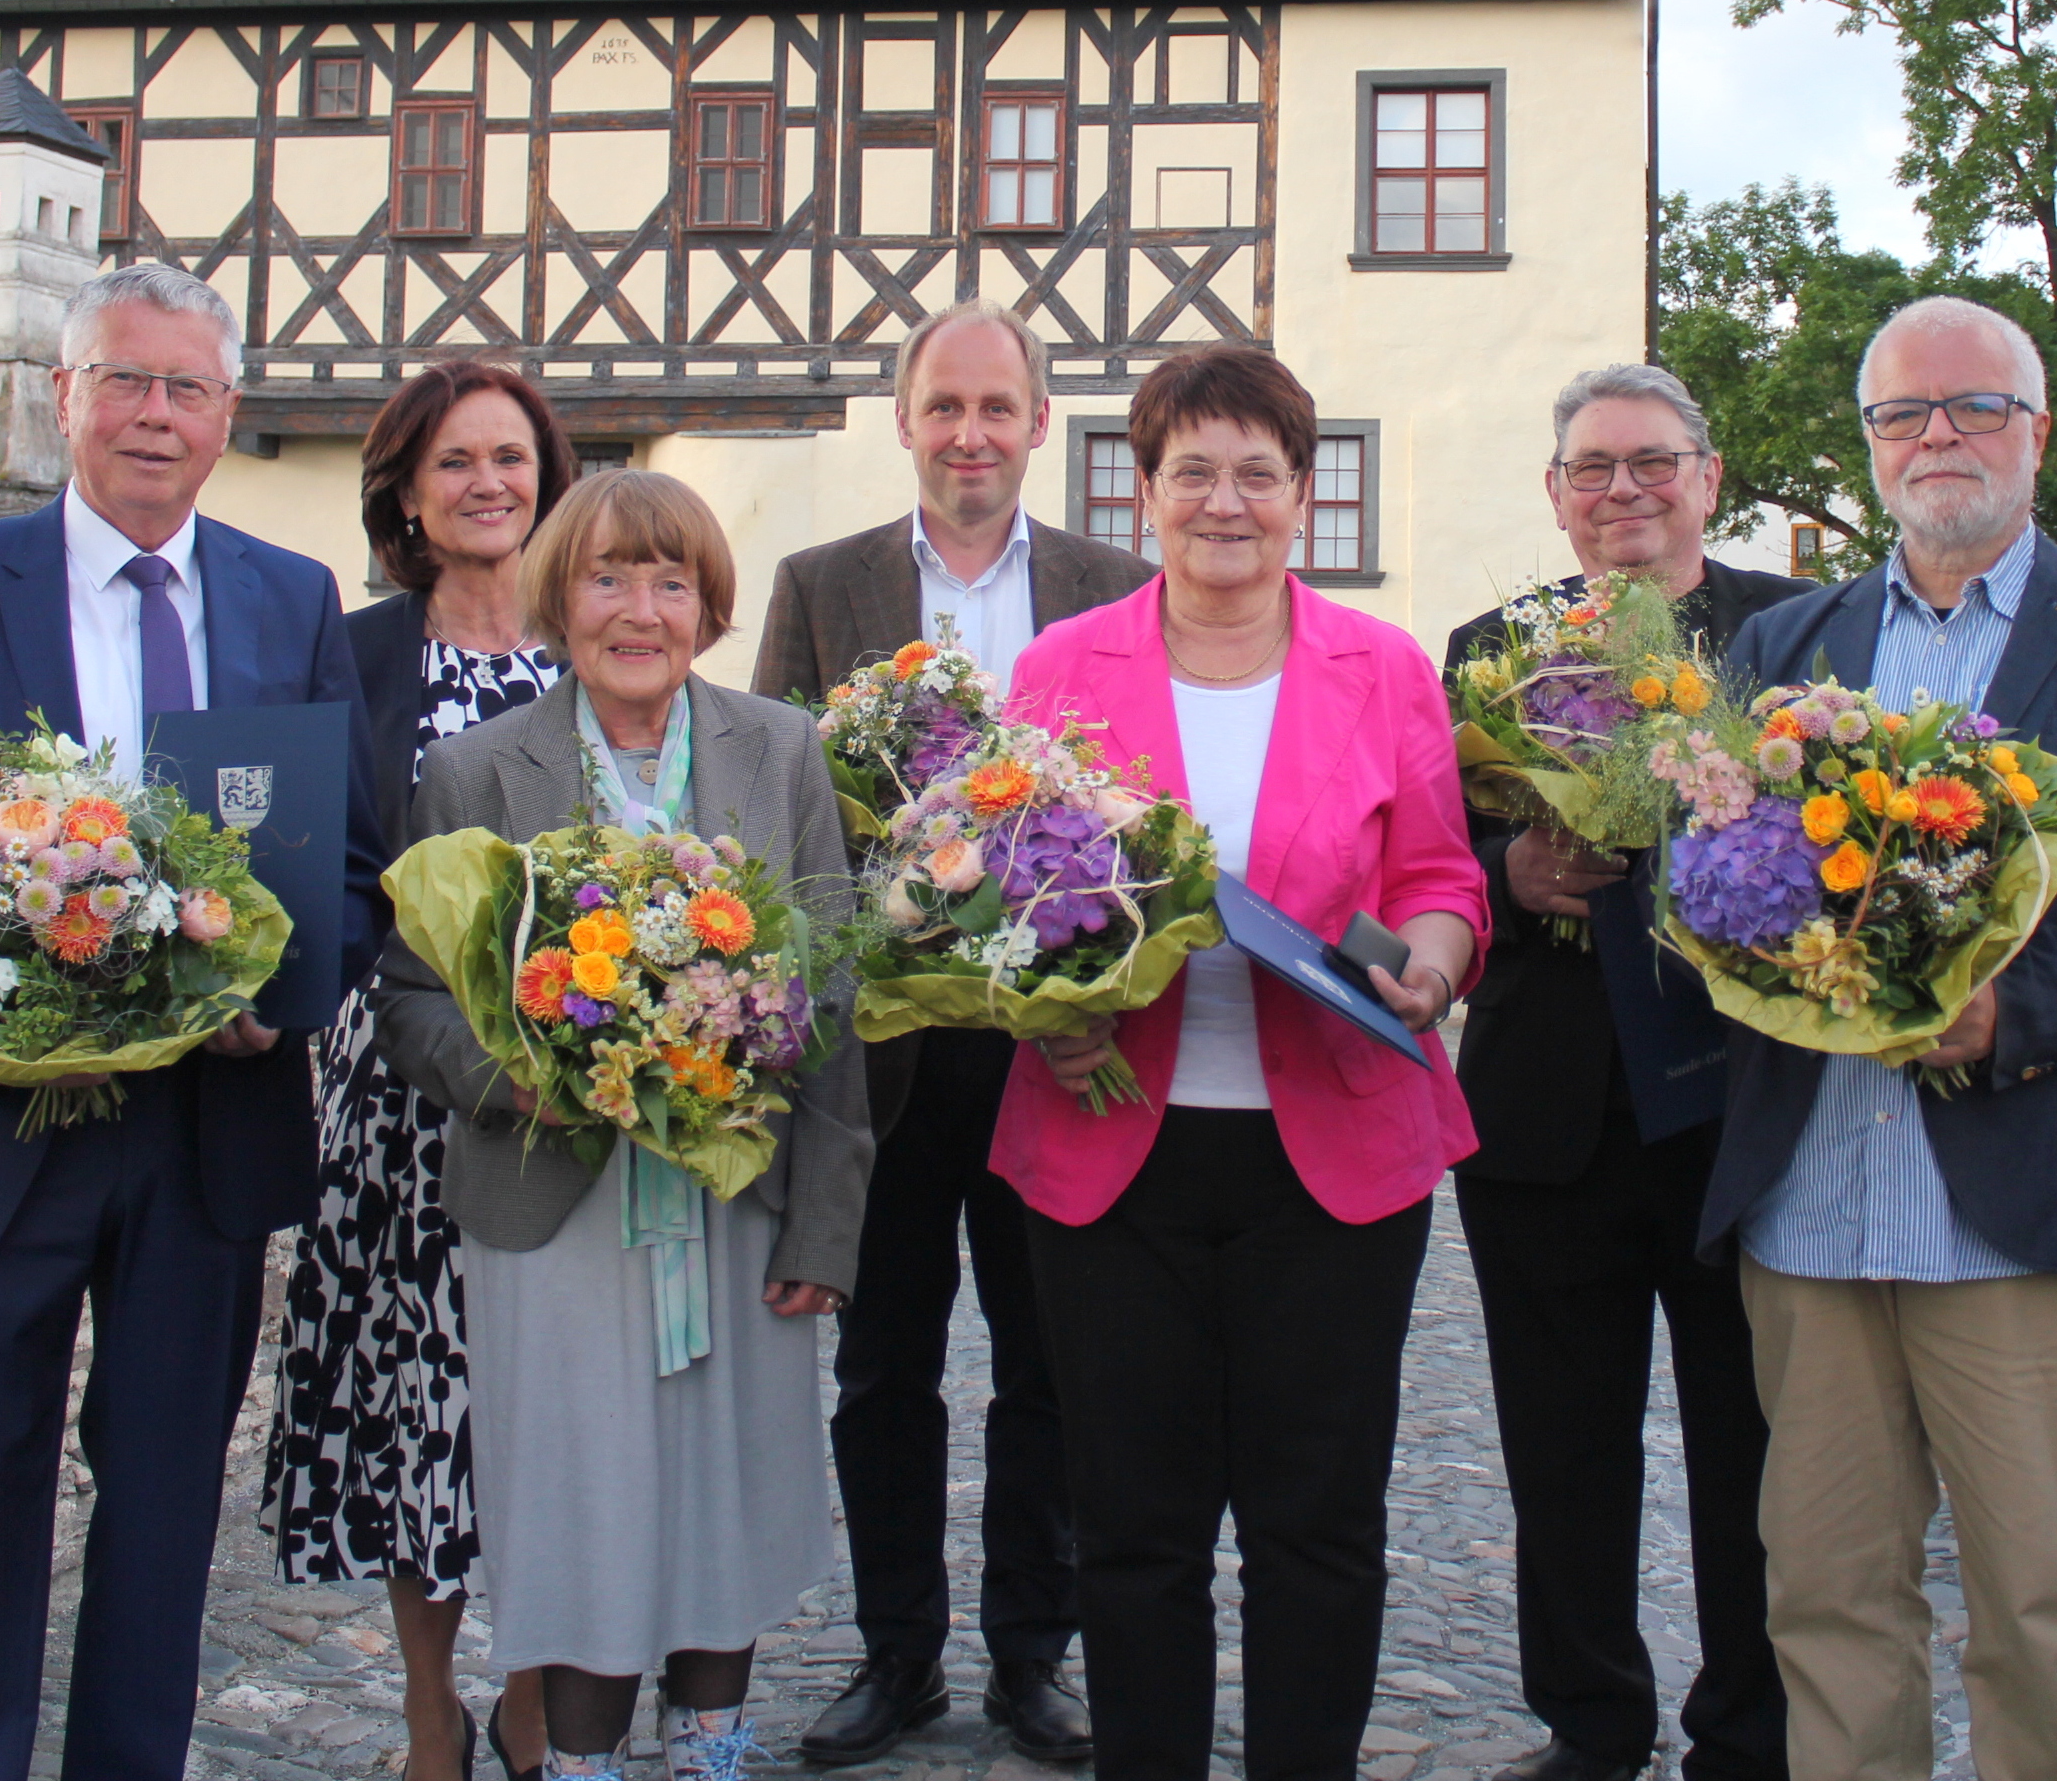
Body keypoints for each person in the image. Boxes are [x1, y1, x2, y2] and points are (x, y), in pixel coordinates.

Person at [0, 261, 387, 1781]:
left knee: (163, 1518)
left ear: (227, 415)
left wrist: (277, 998)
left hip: (206, 1133)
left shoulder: (290, 597)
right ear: (65, 397)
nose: (153, 413)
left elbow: (346, 870)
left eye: (185, 386)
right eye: (124, 379)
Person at [1703, 296, 2057, 1780]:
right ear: (1870, 442)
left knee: (2045, 1613)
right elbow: (1716, 870)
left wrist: (2017, 1007)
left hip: (2032, 1214)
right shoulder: (1784, 642)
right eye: (1903, 413)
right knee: (1826, 1604)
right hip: (1814, 1213)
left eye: (1975, 406)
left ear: (2037, 432)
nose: (1937, 434)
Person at [1002, 343, 1491, 1781]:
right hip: (1111, 1144)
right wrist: (1045, 1005)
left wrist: (1432, 969)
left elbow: (1442, 878)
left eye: (1257, 474)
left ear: (1302, 495)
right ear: (1145, 490)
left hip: (1332, 1153)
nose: (1226, 502)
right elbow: (1001, 887)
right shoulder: (1058, 666)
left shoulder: (1383, 668)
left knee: (1317, 1526)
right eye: (1194, 472)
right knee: (1133, 1528)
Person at [374, 469, 873, 1781]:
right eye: (606, 578)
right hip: (557, 1210)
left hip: (738, 1203)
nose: (639, 610)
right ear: (559, 598)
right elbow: (411, 1000)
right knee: (580, 1509)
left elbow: (830, 995)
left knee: (727, 1498)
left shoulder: (782, 748)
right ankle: (581, 1765)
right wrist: (514, 1074)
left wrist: (823, 1227)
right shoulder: (480, 767)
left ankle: (709, 1752)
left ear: (709, 606)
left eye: (669, 581)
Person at [753, 299, 1145, 1763]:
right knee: (884, 1369)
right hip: (888, 1059)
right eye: (944, 407)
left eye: (996, 407)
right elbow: (781, 812)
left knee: (1055, 1368)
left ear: (1040, 421)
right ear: (905, 420)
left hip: (1058, 1044)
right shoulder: (822, 585)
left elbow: (1143, 805)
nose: (969, 434)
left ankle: (1032, 1657)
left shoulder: (1115, 585)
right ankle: (898, 1651)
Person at [1437, 364, 1802, 1781]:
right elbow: (1432, 856)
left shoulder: (1790, 630)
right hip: (1546, 1114)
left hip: (1738, 1110)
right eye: (1592, 468)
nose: (1623, 491)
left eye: (1653, 462)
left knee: (1750, 1444)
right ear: (1555, 495)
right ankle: (1590, 1726)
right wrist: (1512, 873)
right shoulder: (1490, 651)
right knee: (1563, 1448)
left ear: (1709, 479)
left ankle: (1749, 1734)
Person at [262, 360, 578, 1781]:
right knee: (421, 1410)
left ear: (548, 478)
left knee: (555, 1405)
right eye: (455, 460)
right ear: (404, 492)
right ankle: (429, 1706)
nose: (488, 483)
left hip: (575, 1094)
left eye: (511, 457)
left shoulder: (600, 638)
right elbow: (308, 859)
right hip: (402, 1099)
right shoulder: (354, 655)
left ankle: (536, 1692)